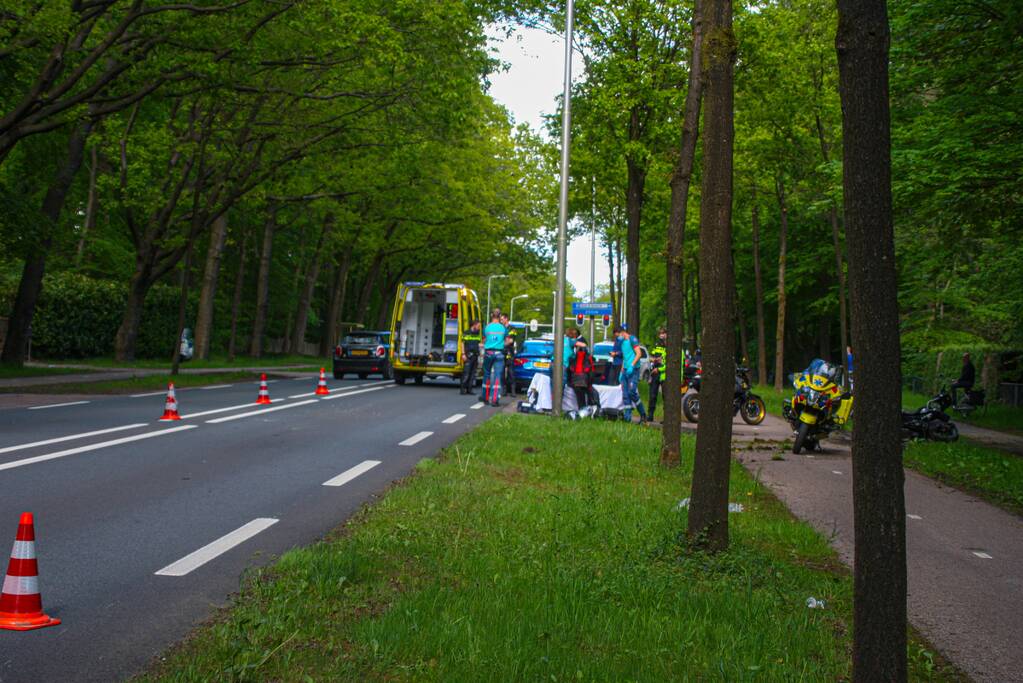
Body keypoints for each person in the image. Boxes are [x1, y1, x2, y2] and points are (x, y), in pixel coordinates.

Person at [616, 325, 648, 423]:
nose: (617, 338)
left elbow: (639, 353)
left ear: (622, 332)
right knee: (625, 395)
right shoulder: (622, 343)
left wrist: (632, 365)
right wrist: (621, 371)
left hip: (633, 370)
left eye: (618, 335)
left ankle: (643, 414)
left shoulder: (632, 339)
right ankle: (627, 417)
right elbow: (625, 358)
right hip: (625, 370)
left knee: (632, 392)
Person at [480, 309, 507, 406]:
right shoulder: (503, 328)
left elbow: (483, 340)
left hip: (488, 353)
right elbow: (507, 341)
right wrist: (501, 344)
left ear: (491, 315)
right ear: (500, 316)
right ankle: (495, 400)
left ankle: (485, 397)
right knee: (497, 376)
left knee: (486, 374)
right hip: (499, 353)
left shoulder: (487, 327)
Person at [568, 338, 600, 410]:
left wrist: (570, 383)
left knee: (580, 397)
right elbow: (591, 372)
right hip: (585, 382)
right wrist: (590, 383)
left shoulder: (573, 358)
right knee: (590, 393)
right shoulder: (589, 358)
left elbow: (570, 370)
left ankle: (581, 410)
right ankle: (590, 409)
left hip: (575, 382)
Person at [648, 327, 667, 420]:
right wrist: (655, 359)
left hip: (664, 372)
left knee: (665, 396)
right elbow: (650, 357)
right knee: (652, 394)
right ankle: (650, 415)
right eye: (660, 333)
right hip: (655, 371)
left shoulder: (670, 345)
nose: (662, 335)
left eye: (663, 333)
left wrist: (662, 360)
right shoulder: (656, 344)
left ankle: (666, 417)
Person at [459, 320, 482, 394]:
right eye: (478, 326)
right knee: (466, 373)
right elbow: (462, 343)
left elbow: (479, 344)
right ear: (474, 325)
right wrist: (463, 354)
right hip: (468, 355)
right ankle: (463, 389)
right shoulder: (466, 333)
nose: (479, 327)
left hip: (475, 355)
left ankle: (469, 389)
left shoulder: (478, 333)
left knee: (473, 374)